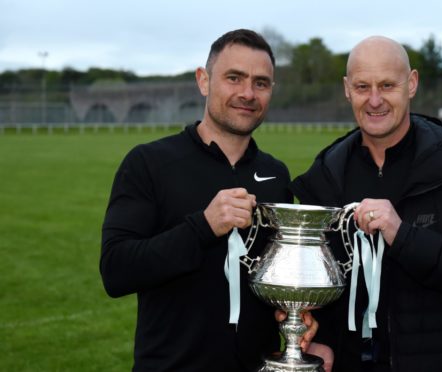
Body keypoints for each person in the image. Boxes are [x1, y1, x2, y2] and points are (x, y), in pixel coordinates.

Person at [290, 36, 442, 371]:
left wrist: (404, 237)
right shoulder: (324, 177)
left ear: (411, 84)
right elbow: (314, 279)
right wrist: (322, 335)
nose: (374, 100)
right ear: (346, 88)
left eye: (387, 85)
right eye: (362, 86)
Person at [100, 29, 319, 371]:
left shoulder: (275, 174)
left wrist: (291, 309)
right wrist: (202, 226)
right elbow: (116, 271)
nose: (248, 93)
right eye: (234, 78)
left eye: (261, 83)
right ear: (204, 80)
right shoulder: (149, 163)